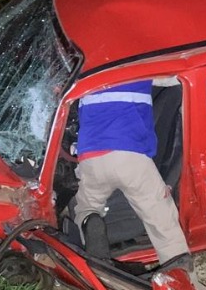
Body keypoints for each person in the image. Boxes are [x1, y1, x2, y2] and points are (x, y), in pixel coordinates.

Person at [73, 80, 193, 273]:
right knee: (160, 217)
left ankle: (91, 226)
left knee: (85, 208)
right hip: (129, 155)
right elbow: (176, 77)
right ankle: (179, 272)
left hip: (90, 158)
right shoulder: (139, 70)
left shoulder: (87, 78)